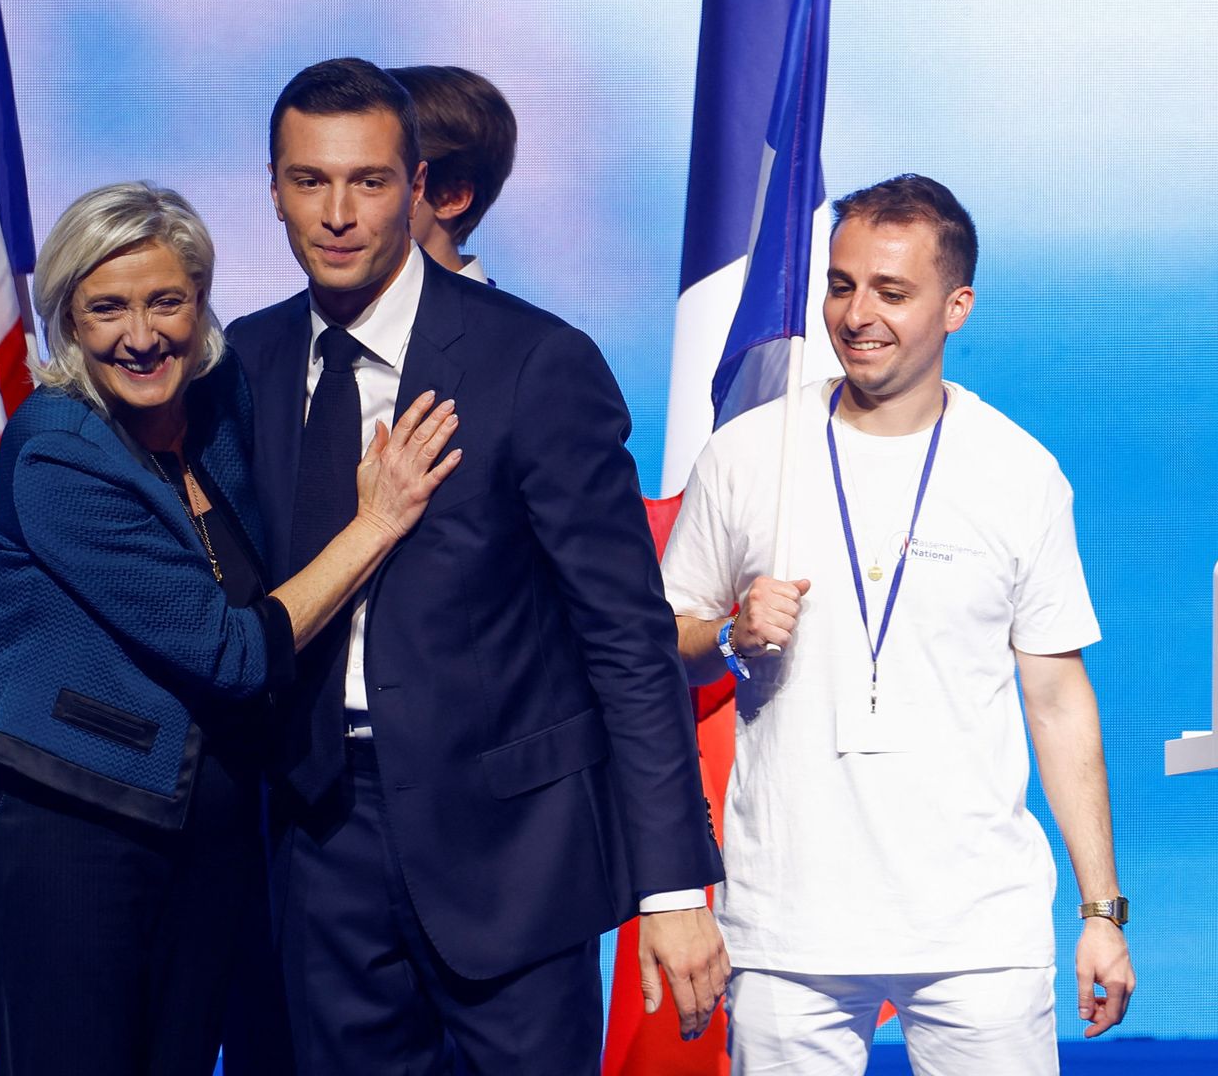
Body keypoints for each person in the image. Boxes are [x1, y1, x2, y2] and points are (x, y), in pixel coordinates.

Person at [226, 57, 725, 1076]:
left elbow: (624, 637)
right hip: (321, 845)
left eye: (367, 182)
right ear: (273, 189)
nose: (337, 214)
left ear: (415, 185)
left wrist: (673, 889)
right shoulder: (247, 361)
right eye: (309, 181)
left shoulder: (533, 361)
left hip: (515, 852)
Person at [0, 181, 460, 1076]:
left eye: (166, 302)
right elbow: (228, 651)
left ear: (201, 303)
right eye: (107, 308)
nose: (141, 335)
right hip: (70, 828)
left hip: (209, 835)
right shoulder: (57, 450)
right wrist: (377, 525)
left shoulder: (216, 411)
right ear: (67, 319)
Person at [662, 174, 1136, 1074]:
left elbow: (1057, 698)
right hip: (787, 925)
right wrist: (726, 634)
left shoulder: (1018, 472)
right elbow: (662, 639)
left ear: (956, 307)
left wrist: (1101, 911)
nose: (857, 316)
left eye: (891, 292)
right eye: (841, 286)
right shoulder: (747, 453)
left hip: (977, 927)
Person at [387, 65, 517, 285]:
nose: (337, 215)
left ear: (451, 197)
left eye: (371, 182)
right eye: (324, 181)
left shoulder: (496, 310)